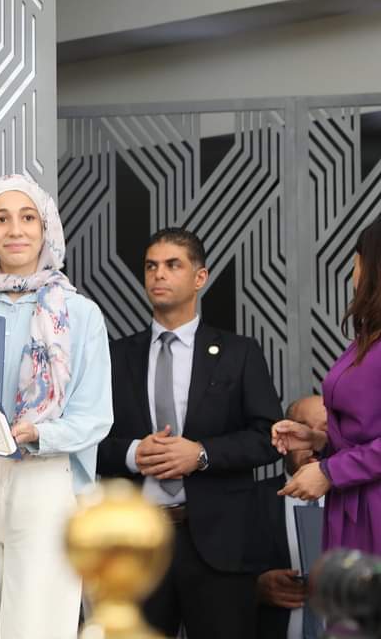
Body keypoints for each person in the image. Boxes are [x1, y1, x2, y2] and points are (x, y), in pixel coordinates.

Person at [0, 174, 114, 639]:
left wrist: (39, 433)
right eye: (1, 219)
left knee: (38, 625)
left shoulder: (79, 314)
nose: (15, 230)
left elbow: (95, 416)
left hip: (44, 477)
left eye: (28, 218)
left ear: (46, 227)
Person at [96, 227, 282, 639]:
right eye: (151, 266)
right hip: (135, 544)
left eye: (172, 265)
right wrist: (131, 454)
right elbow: (87, 442)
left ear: (200, 277)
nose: (158, 275)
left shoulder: (239, 352)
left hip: (219, 546)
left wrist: (201, 454)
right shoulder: (114, 356)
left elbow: (268, 437)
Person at [273, 216, 381, 554]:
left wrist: (332, 471)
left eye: (357, 261)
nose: (353, 274)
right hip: (352, 502)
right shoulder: (366, 339)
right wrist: (318, 439)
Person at [256, 395, 326, 639]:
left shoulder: (364, 502)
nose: (313, 441)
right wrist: (255, 588)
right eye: (303, 430)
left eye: (326, 432)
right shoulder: (249, 500)